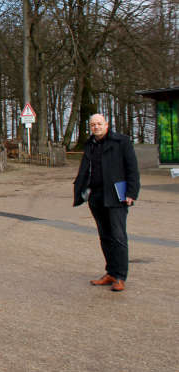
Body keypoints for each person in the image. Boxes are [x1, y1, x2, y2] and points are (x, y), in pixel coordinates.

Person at [73, 113, 140, 292]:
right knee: (105, 236)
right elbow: (85, 169)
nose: (96, 127)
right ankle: (110, 272)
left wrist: (132, 193)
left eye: (99, 124)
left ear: (107, 124)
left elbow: (132, 169)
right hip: (96, 197)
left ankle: (120, 276)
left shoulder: (121, 142)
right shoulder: (90, 145)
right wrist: (81, 189)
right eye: (93, 124)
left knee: (118, 236)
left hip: (116, 196)